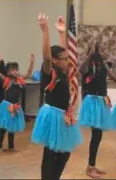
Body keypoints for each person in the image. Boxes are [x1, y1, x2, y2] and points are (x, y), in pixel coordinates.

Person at [31, 13, 82, 180]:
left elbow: (64, 52)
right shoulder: (48, 71)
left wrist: (61, 33)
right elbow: (46, 56)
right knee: (51, 153)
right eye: (64, 59)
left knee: (64, 153)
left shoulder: (63, 71)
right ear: (55, 60)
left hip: (64, 115)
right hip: (53, 115)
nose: (68, 61)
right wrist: (45, 30)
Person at [78, 41, 115, 178]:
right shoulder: (91, 66)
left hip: (101, 101)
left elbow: (114, 73)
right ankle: (90, 167)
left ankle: (91, 165)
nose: (106, 53)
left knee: (98, 135)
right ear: (96, 53)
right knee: (96, 135)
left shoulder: (103, 66)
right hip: (93, 102)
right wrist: (90, 55)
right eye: (103, 50)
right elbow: (80, 70)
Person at [0, 54, 34, 153]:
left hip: (15, 107)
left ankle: (11, 147)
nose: (15, 72)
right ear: (8, 72)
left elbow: (28, 74)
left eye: (16, 70)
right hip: (6, 106)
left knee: (12, 128)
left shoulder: (20, 80)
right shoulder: (7, 80)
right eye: (12, 70)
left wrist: (31, 63)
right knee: (3, 127)